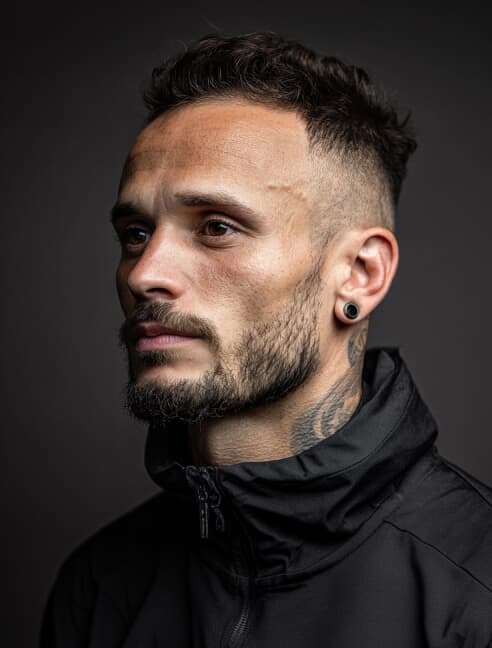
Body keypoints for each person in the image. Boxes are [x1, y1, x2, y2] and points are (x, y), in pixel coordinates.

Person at [40, 32, 492, 647]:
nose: (145, 274)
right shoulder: (99, 587)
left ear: (359, 274)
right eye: (136, 233)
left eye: (216, 227)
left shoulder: (476, 592)